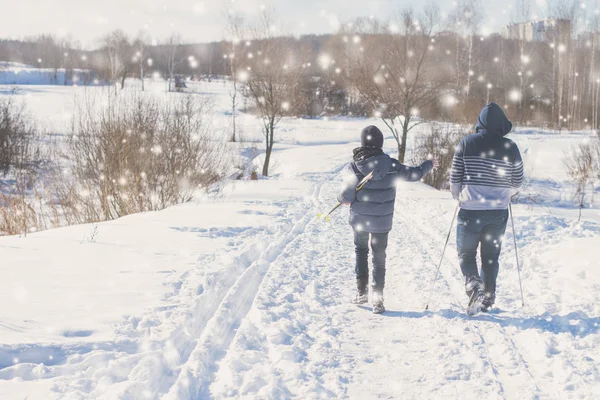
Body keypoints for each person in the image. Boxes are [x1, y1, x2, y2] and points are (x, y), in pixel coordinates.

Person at [338, 125, 436, 314]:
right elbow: (414, 174)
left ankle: (361, 292)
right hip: (382, 223)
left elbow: (347, 196)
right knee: (379, 258)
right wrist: (429, 164)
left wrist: (340, 199)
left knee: (361, 251)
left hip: (360, 220)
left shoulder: (354, 167)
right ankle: (378, 300)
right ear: (380, 143)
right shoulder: (392, 165)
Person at [450, 103, 524, 313]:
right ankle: (487, 298)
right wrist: (504, 195)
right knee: (490, 256)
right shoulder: (511, 147)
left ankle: (474, 285)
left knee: (466, 252)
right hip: (498, 212)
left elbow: (455, 177)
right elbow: (517, 181)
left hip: (470, 210)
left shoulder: (466, 143)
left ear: (480, 122)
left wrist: (459, 197)